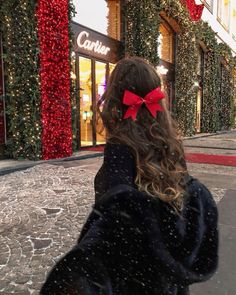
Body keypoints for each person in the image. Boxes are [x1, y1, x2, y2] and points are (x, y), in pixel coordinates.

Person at [40, 57, 218, 295]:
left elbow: (112, 225)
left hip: (136, 280)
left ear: (115, 100)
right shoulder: (171, 145)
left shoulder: (119, 149)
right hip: (170, 279)